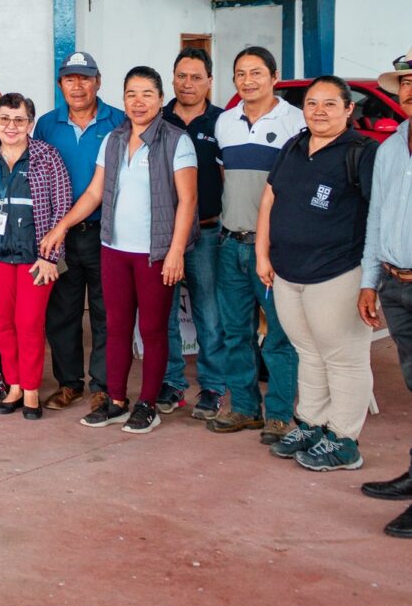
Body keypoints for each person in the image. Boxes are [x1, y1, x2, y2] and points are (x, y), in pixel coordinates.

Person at [41, 67, 197, 435]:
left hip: (154, 252)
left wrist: (175, 252)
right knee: (116, 328)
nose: (138, 102)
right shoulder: (112, 139)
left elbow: (188, 201)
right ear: (123, 99)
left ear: (160, 99)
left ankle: (147, 404)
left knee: (154, 330)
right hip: (113, 249)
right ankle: (115, 400)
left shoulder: (177, 141)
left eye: (146, 93)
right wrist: (61, 226)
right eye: (131, 94)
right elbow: (95, 192)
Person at [256, 76, 378, 471]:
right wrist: (263, 253)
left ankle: (345, 439)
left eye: (330, 104)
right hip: (288, 272)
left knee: (344, 358)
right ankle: (312, 424)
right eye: (312, 103)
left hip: (339, 272)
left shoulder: (362, 152)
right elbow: (270, 198)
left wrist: (370, 281)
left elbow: (379, 216)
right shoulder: (294, 145)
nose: (319, 111)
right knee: (308, 353)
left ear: (348, 110)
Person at [207, 46, 305, 444]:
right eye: (240, 73)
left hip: (273, 250)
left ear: (274, 76)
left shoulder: (295, 121)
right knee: (235, 333)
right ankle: (245, 408)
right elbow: (226, 178)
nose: (248, 80)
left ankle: (280, 414)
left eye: (256, 73)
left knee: (280, 336)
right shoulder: (225, 122)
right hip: (229, 244)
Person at [34, 51, 125, 413]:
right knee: (63, 312)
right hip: (60, 237)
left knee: (106, 312)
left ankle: (102, 385)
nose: (77, 85)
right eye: (70, 79)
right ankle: (69, 383)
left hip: (107, 232)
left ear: (98, 82)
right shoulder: (46, 124)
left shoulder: (118, 121)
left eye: (85, 78)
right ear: (60, 85)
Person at [0, 93, 70, 419]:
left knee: (29, 323)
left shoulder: (47, 157)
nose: (11, 126)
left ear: (30, 123)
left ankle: (30, 390)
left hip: (36, 257)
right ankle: (12, 386)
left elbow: (62, 209)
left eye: (19, 120)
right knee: (3, 325)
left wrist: (51, 256)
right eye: (4, 120)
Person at [357, 48, 412, 538]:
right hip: (396, 282)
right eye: (406, 83)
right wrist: (370, 281)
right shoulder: (392, 147)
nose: (410, 91)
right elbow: (376, 219)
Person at [161, 47, 228, 419]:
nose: (188, 83)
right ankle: (172, 382)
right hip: (164, 236)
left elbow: (226, 178)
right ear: (173, 78)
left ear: (209, 82)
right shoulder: (158, 119)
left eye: (196, 77)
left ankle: (214, 386)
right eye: (182, 76)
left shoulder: (222, 122)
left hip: (205, 234)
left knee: (209, 312)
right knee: (164, 314)